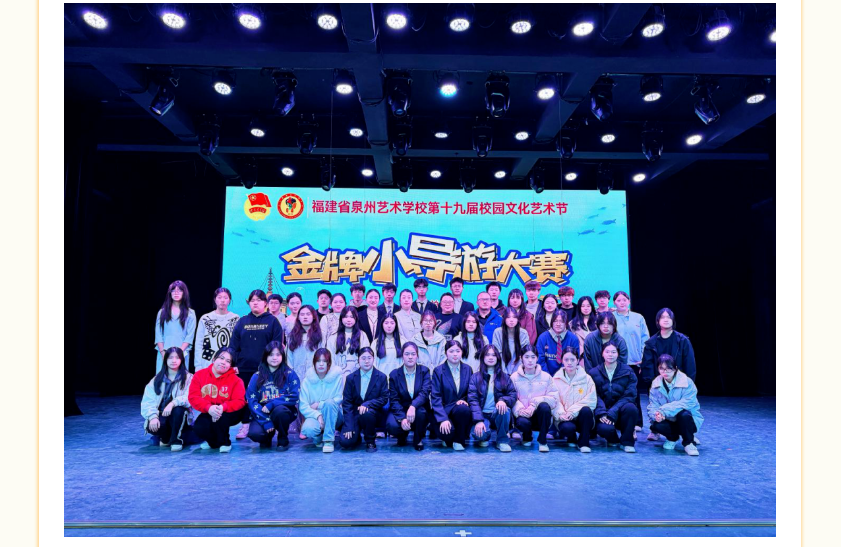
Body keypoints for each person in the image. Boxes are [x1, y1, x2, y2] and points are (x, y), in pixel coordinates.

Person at [230, 289, 285, 440]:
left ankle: (271, 424)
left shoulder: (272, 321)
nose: (255, 303)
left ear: (265, 303)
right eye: (252, 300)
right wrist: (234, 363)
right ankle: (245, 424)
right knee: (246, 397)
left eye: (259, 300)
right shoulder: (242, 321)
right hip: (244, 368)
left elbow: (277, 346)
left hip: (266, 368)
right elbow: (233, 345)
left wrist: (273, 365)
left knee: (267, 397)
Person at [188, 347, 247, 452]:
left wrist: (223, 407)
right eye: (221, 358)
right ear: (214, 359)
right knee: (199, 428)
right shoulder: (199, 375)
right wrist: (209, 408)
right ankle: (213, 442)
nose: (224, 362)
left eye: (228, 361)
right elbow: (193, 397)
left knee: (222, 418)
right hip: (209, 410)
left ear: (231, 365)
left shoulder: (237, 380)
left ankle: (225, 442)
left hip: (228, 411)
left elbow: (240, 401)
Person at [245, 341, 300, 451]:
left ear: (282, 356)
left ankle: (283, 437)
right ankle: (267, 436)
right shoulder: (257, 376)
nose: (274, 358)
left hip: (281, 410)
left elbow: (294, 396)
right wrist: (265, 421)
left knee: (280, 412)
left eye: (278, 354)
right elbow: (251, 400)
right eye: (271, 354)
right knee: (255, 434)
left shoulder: (290, 374)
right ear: (265, 356)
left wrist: (272, 404)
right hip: (262, 412)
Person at [647, 354, 703, 456]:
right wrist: (656, 414)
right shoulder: (655, 384)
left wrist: (663, 410)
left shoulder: (687, 382)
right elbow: (653, 405)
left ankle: (689, 442)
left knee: (684, 414)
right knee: (656, 425)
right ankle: (672, 438)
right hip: (669, 419)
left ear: (675, 368)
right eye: (661, 368)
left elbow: (688, 402)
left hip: (688, 419)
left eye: (669, 368)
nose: (665, 372)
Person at [141, 347, 194, 451]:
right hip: (162, 414)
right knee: (151, 426)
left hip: (179, 416)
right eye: (170, 358)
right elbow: (147, 401)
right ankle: (165, 438)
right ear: (165, 359)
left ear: (181, 360)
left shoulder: (189, 378)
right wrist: (153, 416)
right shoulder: (157, 379)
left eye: (177, 358)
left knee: (178, 409)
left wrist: (173, 403)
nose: (174, 360)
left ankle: (176, 440)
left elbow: (190, 397)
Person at [589, 342, 638, 452]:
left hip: (620, 411)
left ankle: (627, 442)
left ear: (618, 354)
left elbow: (629, 395)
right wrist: (601, 412)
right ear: (602, 354)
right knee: (605, 429)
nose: (610, 354)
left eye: (613, 352)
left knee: (631, 408)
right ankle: (614, 440)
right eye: (607, 352)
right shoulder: (593, 372)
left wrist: (613, 411)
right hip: (603, 413)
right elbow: (593, 395)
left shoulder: (628, 371)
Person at [612, 291, 650, 434]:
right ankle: (617, 420)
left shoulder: (638, 317)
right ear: (614, 302)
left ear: (628, 301)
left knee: (634, 392)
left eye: (624, 300)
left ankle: (637, 422)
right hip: (616, 362)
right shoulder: (611, 317)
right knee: (617, 392)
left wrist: (643, 359)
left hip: (635, 361)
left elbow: (645, 339)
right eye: (618, 300)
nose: (622, 302)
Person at [467, 345, 517, 452]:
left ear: (498, 358)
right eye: (487, 355)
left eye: (494, 355)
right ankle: (485, 435)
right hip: (482, 415)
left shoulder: (505, 377)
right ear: (483, 358)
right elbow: (472, 400)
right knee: (480, 435)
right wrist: (478, 420)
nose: (491, 357)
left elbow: (513, 395)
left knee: (504, 409)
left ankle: (502, 440)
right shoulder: (475, 377)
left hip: (496, 413)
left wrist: (503, 400)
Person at [510, 344, 559, 452]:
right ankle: (527, 436)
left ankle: (542, 441)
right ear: (521, 358)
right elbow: (511, 397)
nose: (530, 360)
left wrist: (534, 404)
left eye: (533, 357)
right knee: (522, 423)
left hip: (540, 416)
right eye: (526, 357)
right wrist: (520, 409)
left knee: (544, 406)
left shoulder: (546, 377)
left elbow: (553, 398)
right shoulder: (514, 377)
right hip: (523, 415)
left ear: (537, 358)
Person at [340, 348, 388, 452]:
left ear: (373, 359)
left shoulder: (381, 377)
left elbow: (384, 398)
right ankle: (356, 437)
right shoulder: (351, 378)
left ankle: (370, 441)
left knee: (367, 413)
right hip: (355, 415)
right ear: (358, 360)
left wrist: (368, 404)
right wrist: (349, 426)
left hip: (374, 414)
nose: (366, 361)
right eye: (363, 358)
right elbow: (347, 403)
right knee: (345, 442)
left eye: (369, 358)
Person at [386, 342, 431, 450]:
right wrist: (402, 418)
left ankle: (418, 438)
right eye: (407, 354)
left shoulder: (424, 371)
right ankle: (402, 435)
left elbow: (424, 393)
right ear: (402, 356)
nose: (410, 357)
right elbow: (394, 400)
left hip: (419, 409)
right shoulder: (394, 374)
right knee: (391, 425)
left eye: (413, 354)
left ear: (417, 356)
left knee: (421, 413)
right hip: (401, 409)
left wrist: (413, 406)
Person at [299, 348, 345, 453]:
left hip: (334, 414)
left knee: (329, 403)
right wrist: (318, 415)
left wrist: (320, 404)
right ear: (314, 363)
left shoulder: (337, 377)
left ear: (329, 363)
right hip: (315, 415)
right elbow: (303, 406)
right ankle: (318, 437)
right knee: (307, 429)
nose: (321, 364)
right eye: (318, 361)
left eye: (324, 361)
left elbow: (339, 398)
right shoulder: (307, 381)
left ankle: (328, 440)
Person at [430, 340, 474, 451]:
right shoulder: (438, 371)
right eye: (451, 351)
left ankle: (459, 440)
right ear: (446, 353)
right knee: (447, 433)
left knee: (463, 409)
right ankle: (449, 437)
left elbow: (471, 392)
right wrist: (443, 418)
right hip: (443, 411)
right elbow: (435, 397)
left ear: (462, 352)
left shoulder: (468, 369)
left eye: (458, 351)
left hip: (460, 412)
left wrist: (465, 400)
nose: (455, 354)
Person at [552, 347, 597, 453]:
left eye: (572, 359)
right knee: (567, 428)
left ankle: (584, 442)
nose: (569, 362)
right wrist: (561, 414)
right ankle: (571, 437)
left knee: (586, 410)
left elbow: (591, 399)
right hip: (564, 417)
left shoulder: (587, 378)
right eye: (566, 359)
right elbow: (554, 400)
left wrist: (573, 412)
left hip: (582, 417)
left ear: (577, 360)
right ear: (562, 360)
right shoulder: (556, 379)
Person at [641, 308, 697, 383]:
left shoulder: (683, 341)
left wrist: (687, 384)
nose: (666, 320)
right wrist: (653, 385)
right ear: (657, 321)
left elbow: (690, 365)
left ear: (673, 321)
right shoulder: (651, 343)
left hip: (679, 383)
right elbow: (648, 368)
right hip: (658, 385)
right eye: (663, 317)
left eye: (669, 317)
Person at [154, 280, 197, 374]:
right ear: (170, 293)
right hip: (164, 352)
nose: (176, 293)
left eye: (179, 290)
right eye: (173, 290)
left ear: (184, 293)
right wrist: (163, 353)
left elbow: (189, 336)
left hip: (182, 353)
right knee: (162, 379)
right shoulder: (162, 312)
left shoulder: (190, 313)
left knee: (180, 379)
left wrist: (178, 354)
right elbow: (158, 334)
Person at [194, 287, 240, 372]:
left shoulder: (236, 318)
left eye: (225, 298)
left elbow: (238, 344)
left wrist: (236, 364)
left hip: (227, 363)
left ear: (229, 300)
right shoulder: (205, 318)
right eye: (219, 297)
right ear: (215, 299)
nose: (222, 300)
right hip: (207, 363)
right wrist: (198, 365)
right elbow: (199, 343)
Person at [326, 306, 370, 378]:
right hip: (338, 376)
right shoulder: (333, 337)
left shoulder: (362, 335)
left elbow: (366, 356)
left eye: (352, 317)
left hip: (358, 376)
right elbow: (330, 358)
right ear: (341, 318)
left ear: (356, 319)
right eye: (346, 317)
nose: (349, 320)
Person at [536, 309, 580, 376]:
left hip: (567, 376)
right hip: (545, 376)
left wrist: (561, 376)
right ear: (551, 322)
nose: (558, 324)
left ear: (566, 323)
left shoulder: (573, 339)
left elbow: (575, 360)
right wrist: (548, 377)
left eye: (561, 321)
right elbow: (540, 361)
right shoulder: (543, 338)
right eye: (555, 321)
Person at [493, 307, 531, 375]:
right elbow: (498, 354)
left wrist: (516, 373)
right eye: (508, 317)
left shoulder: (523, 333)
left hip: (519, 371)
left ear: (517, 319)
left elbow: (524, 355)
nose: (511, 320)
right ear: (504, 319)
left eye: (514, 317)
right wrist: (504, 373)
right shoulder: (497, 332)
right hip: (501, 371)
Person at [371, 312, 403, 377]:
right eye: (386, 323)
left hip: (397, 379)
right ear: (382, 325)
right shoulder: (375, 343)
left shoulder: (402, 342)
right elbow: (372, 363)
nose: (389, 326)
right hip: (380, 378)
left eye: (392, 323)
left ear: (396, 325)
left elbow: (403, 363)